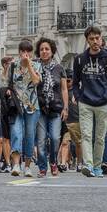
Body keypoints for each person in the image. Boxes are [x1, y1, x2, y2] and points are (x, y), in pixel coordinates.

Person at [70, 24, 107, 178]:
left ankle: (97, 166)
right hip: (85, 102)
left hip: (103, 103)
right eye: (92, 39)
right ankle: (88, 165)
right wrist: (78, 97)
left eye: (97, 38)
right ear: (87, 40)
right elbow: (75, 82)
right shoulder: (79, 60)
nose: (95, 41)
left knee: (100, 137)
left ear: (101, 39)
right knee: (86, 135)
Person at [6, 38, 41, 177]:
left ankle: (27, 166)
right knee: (15, 133)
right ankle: (15, 164)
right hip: (16, 106)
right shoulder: (13, 66)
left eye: (28, 51)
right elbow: (7, 83)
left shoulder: (37, 66)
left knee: (29, 136)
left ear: (31, 53)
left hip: (32, 106)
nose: (25, 54)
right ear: (19, 52)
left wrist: (29, 66)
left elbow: (36, 81)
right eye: (23, 51)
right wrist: (8, 91)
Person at [34, 37, 68, 178]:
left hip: (56, 108)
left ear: (52, 51)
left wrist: (65, 108)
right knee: (41, 141)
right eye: (41, 49)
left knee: (55, 138)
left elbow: (64, 89)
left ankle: (53, 161)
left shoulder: (59, 68)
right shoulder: (35, 66)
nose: (44, 51)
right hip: (40, 109)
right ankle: (42, 167)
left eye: (47, 49)